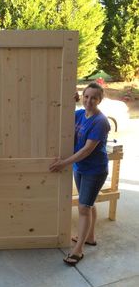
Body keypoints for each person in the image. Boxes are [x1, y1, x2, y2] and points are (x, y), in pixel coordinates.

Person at [49, 82, 110, 266]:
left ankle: (78, 250)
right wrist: (71, 101)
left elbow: (86, 150)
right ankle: (90, 237)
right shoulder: (81, 114)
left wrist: (63, 164)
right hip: (81, 168)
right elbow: (64, 115)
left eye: (94, 98)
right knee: (88, 203)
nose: (89, 101)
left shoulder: (101, 122)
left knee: (83, 207)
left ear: (100, 100)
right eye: (86, 96)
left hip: (94, 170)